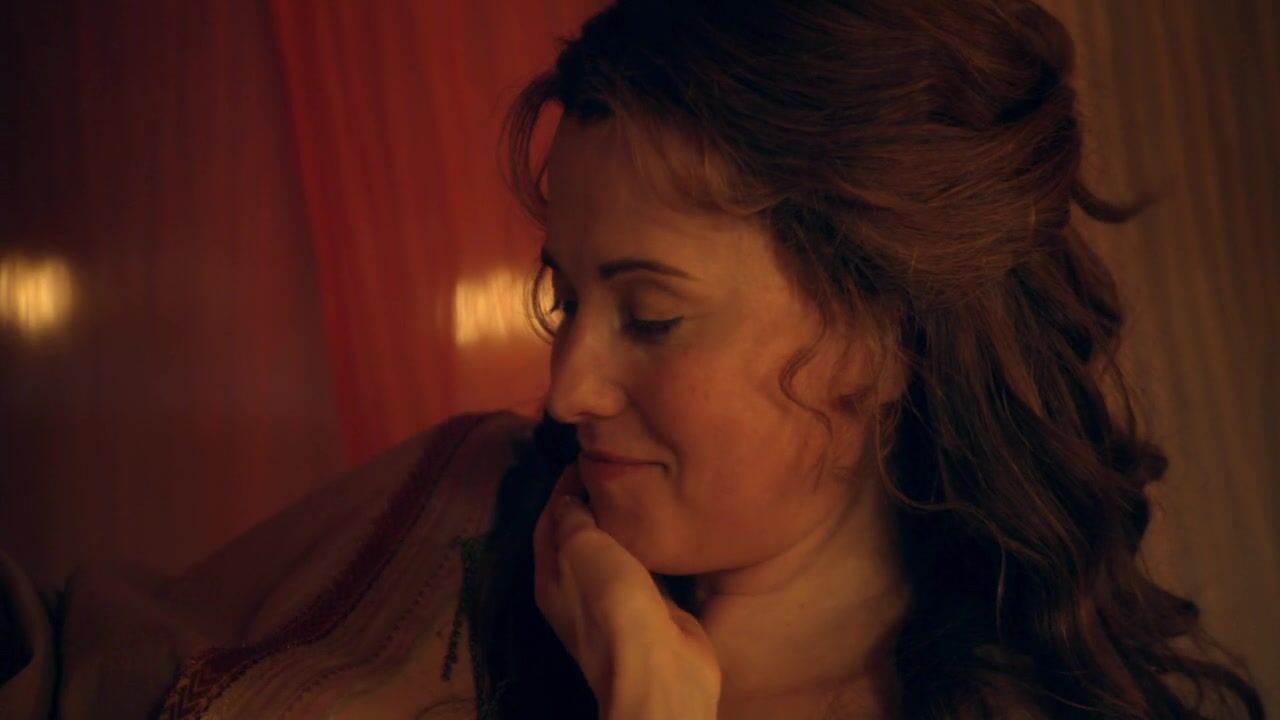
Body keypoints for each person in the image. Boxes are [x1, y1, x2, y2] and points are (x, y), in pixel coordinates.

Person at [0, 0, 1265, 718]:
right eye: (565, 296)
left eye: (650, 316)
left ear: (882, 338)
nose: (568, 389)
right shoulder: (468, 501)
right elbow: (82, 659)